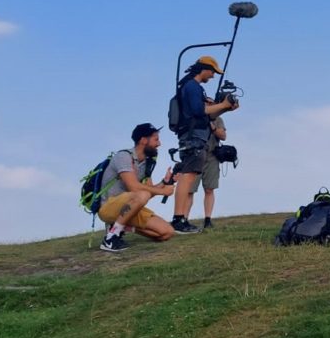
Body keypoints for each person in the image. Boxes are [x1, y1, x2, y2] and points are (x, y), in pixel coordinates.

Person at [171, 56, 238, 234]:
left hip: (196, 137)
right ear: (205, 69)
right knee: (187, 177)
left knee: (189, 177)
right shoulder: (192, 87)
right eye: (213, 72)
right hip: (193, 137)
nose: (214, 76)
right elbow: (199, 111)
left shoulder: (192, 87)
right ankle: (179, 219)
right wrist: (222, 104)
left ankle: (180, 219)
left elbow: (207, 116)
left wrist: (225, 108)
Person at [97, 123, 177, 252]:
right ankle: (111, 238)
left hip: (129, 208)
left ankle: (120, 227)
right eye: (156, 139)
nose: (159, 144)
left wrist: (164, 182)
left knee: (167, 232)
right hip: (108, 207)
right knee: (141, 193)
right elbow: (134, 187)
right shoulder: (123, 156)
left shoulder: (147, 163)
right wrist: (163, 191)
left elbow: (149, 193)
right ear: (143, 140)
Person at [185, 109, 225, 229]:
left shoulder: (218, 119)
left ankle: (208, 219)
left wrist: (212, 127)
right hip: (195, 156)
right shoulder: (194, 117)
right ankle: (183, 218)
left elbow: (223, 136)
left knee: (209, 189)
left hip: (212, 156)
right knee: (189, 190)